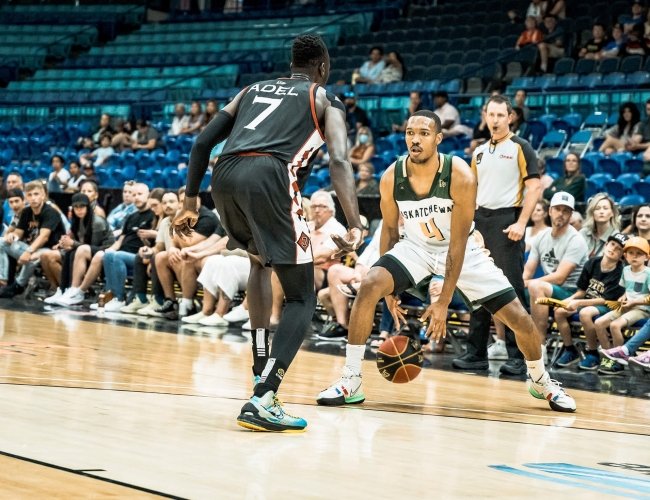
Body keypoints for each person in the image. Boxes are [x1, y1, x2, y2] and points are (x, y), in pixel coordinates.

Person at [316, 110, 576, 412]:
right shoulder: (391, 177)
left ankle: (540, 380)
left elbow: (457, 244)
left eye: (424, 133)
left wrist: (442, 303)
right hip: (415, 248)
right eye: (410, 133)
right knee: (369, 284)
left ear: (438, 138)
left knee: (521, 320)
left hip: (463, 251)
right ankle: (351, 380)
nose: (415, 139)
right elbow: (388, 230)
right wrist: (388, 292)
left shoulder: (459, 174)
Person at [170, 34, 363, 432]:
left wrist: (190, 202)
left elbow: (203, 142)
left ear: (291, 63)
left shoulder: (250, 90)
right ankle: (265, 396)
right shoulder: (324, 98)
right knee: (302, 295)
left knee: (259, 263)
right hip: (271, 175)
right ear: (322, 68)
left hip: (224, 175)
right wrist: (356, 222)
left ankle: (261, 371)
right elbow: (341, 160)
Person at [452, 95, 542, 374]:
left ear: (510, 117)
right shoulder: (478, 151)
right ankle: (476, 353)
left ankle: (521, 357)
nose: (495, 119)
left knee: (513, 289)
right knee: (477, 286)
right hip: (481, 221)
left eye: (500, 115)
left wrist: (521, 223)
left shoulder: (521, 147)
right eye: (491, 114)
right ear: (485, 116)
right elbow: (471, 191)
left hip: (508, 220)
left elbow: (536, 188)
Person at [525, 192, 589, 351]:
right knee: (504, 290)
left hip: (571, 292)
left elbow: (560, 277)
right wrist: (518, 283)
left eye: (566, 211)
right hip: (550, 289)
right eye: (558, 209)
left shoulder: (576, 240)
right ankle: (503, 343)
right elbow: (528, 271)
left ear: (571, 215)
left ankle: (539, 347)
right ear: (550, 211)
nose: (561, 214)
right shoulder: (541, 236)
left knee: (536, 287)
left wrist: (528, 282)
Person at [554, 233, 627, 369]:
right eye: (612, 244)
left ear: (622, 256)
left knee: (585, 313)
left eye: (618, 249)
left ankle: (593, 354)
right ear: (606, 245)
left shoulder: (620, 272)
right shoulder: (592, 262)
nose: (613, 249)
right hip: (588, 301)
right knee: (559, 312)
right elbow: (582, 291)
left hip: (608, 305)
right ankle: (570, 350)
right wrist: (567, 300)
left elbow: (604, 300)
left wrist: (579, 303)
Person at [91, 183, 154, 311]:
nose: (136, 197)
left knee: (117, 256)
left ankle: (119, 298)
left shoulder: (152, 216)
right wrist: (106, 251)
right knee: (108, 254)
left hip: (139, 256)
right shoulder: (131, 217)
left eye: (139, 194)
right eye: (133, 194)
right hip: (123, 253)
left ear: (148, 195)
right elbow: (120, 241)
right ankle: (110, 295)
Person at [42, 193, 114, 303]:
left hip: (105, 251)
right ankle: (63, 290)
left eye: (82, 207)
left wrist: (73, 243)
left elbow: (90, 246)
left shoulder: (97, 222)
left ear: (88, 207)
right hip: (86, 250)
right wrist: (63, 243)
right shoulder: (78, 220)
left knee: (77, 250)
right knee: (69, 253)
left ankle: (74, 290)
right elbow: (76, 240)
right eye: (76, 207)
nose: (79, 210)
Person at [594, 237, 650, 375]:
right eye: (631, 253)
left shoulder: (648, 273)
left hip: (641, 308)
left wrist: (634, 302)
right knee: (599, 322)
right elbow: (628, 289)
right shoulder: (625, 270)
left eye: (639, 254)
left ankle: (619, 360)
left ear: (647, 257)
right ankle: (609, 358)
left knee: (614, 325)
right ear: (625, 256)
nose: (634, 256)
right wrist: (624, 296)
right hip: (627, 305)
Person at [0, 181, 66, 298]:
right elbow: (18, 233)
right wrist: (12, 236)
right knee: (2, 242)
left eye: (36, 194)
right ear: (26, 197)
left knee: (33, 257)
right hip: (30, 248)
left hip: (49, 249)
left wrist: (28, 251)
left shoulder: (50, 212)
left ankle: (18, 285)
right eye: (30, 195)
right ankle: (3, 280)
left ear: (42, 195)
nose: (33, 198)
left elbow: (44, 237)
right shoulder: (26, 212)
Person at [120, 190, 180, 314]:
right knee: (140, 257)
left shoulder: (185, 221)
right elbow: (158, 248)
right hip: (165, 260)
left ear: (179, 204)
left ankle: (158, 299)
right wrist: (148, 250)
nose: (168, 205)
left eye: (171, 202)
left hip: (178, 261)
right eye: (165, 203)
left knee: (156, 258)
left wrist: (155, 259)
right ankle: (141, 298)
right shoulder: (164, 222)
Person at [579, 193, 620, 258]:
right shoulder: (583, 233)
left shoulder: (616, 237)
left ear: (612, 213)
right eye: (597, 208)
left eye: (605, 208)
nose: (601, 211)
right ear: (592, 213)